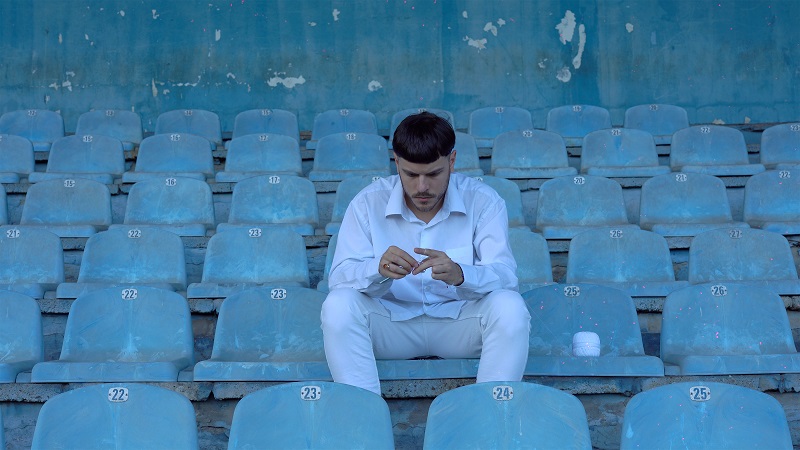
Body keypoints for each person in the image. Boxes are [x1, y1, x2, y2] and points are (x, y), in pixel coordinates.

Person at [321, 112, 530, 395]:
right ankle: (363, 413)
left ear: (452, 161)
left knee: (510, 307)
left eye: (433, 174)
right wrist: (376, 269)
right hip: (391, 325)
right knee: (338, 305)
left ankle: (491, 414)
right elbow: (339, 278)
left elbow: (505, 276)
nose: (422, 187)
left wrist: (461, 274)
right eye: (410, 174)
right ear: (396, 162)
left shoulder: (483, 200)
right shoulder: (368, 202)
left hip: (460, 324)